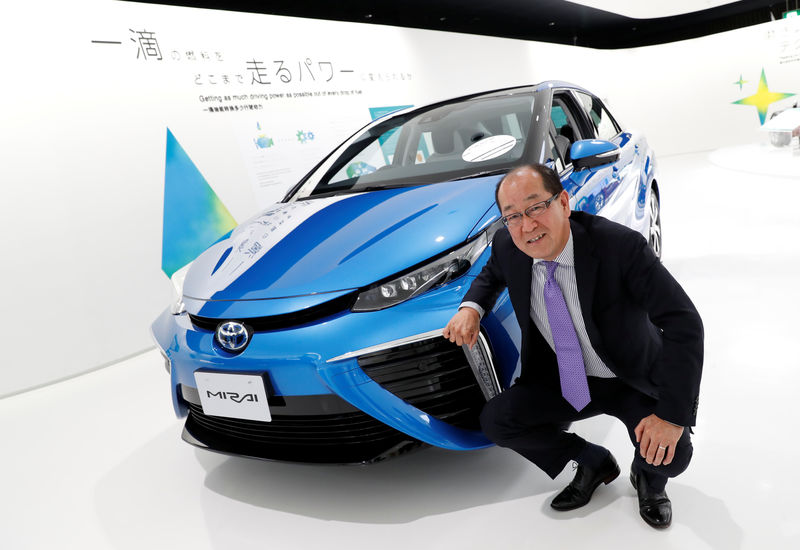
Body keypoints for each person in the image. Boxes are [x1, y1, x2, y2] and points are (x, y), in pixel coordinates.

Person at [443, 164, 703, 529]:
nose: (527, 225)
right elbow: (490, 275)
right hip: (565, 377)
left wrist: (672, 417)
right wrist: (470, 308)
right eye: (512, 216)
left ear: (564, 202)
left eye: (536, 207)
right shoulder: (508, 244)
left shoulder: (620, 247)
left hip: (627, 374)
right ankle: (592, 461)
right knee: (498, 421)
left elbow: (684, 322)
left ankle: (647, 477)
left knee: (672, 455)